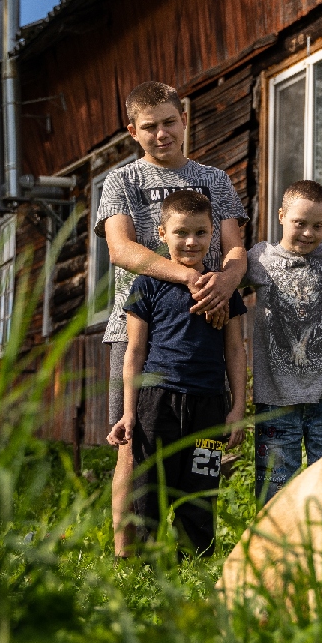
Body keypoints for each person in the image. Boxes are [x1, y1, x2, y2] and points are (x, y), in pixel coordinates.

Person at [96, 81, 248, 558]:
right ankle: (129, 559)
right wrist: (189, 277)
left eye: (169, 122)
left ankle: (193, 549)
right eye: (149, 127)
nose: (161, 133)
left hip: (209, 321)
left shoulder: (214, 179)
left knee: (198, 452)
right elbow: (121, 249)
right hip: (139, 328)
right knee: (135, 450)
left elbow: (236, 249)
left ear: (184, 121)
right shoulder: (122, 181)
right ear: (132, 132)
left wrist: (224, 282)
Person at [244, 180, 322, 503]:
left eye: (318, 226)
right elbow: (226, 288)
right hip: (275, 396)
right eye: (300, 223)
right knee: (276, 481)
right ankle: (273, 550)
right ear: (282, 216)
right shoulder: (259, 258)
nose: (309, 233)